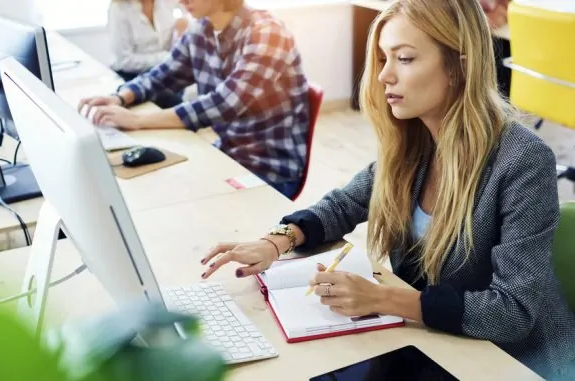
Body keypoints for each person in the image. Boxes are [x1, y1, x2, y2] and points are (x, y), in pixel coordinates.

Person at [199, 0, 575, 379]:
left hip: (511, 361)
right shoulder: (417, 141)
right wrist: (277, 240)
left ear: (461, 65)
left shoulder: (523, 160)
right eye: (383, 58)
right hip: (435, 345)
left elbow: (512, 312)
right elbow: (344, 204)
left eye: (405, 58)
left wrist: (384, 299)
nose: (383, 76)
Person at [79, 0, 310, 199]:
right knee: (155, 192)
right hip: (227, 153)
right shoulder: (202, 29)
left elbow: (224, 104)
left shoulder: (268, 33)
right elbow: (164, 75)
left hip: (270, 169)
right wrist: (119, 98)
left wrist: (138, 120)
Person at [107, 0, 188, 108]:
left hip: (166, 71)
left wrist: (184, 22)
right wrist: (167, 58)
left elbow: (194, 10)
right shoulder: (119, 9)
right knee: (176, 106)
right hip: (131, 74)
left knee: (177, 105)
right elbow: (123, 61)